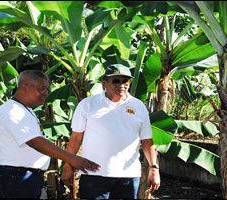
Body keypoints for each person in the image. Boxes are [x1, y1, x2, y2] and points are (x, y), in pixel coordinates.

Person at [0, 70, 100, 199]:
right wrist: (71, 158)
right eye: (42, 89)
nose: (46, 93)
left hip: (25, 177)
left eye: (47, 89)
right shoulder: (12, 111)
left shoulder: (25, 110)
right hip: (15, 178)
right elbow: (35, 141)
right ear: (25, 87)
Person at [61, 64, 161, 199]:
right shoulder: (88, 104)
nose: (122, 85)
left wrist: (154, 168)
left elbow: (147, 141)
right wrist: (68, 165)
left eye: (125, 81)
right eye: (116, 81)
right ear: (104, 83)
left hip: (128, 176)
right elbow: (76, 138)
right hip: (94, 175)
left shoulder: (139, 106)